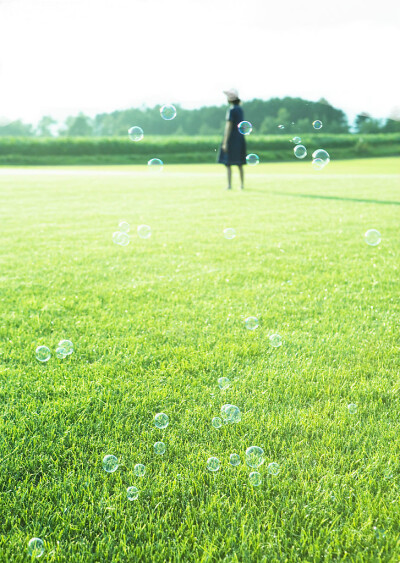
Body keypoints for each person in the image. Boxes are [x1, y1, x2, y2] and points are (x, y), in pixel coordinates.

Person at [218, 88, 246, 190]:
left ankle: (229, 185)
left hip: (231, 139)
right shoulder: (240, 109)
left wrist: (225, 142)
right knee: (240, 163)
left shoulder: (231, 110)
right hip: (240, 138)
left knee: (228, 163)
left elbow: (228, 126)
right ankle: (242, 185)